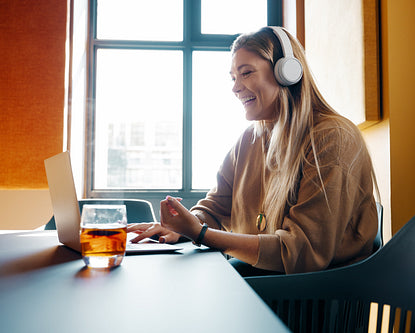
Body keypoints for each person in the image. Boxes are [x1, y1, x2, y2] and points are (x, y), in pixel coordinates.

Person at [128, 26, 378, 275]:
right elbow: (215, 207)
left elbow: (302, 252)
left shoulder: (333, 137)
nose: (235, 88)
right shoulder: (250, 138)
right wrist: (184, 227)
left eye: (246, 73)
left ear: (287, 73)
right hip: (262, 281)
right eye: (233, 77)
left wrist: (200, 233)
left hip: (312, 298)